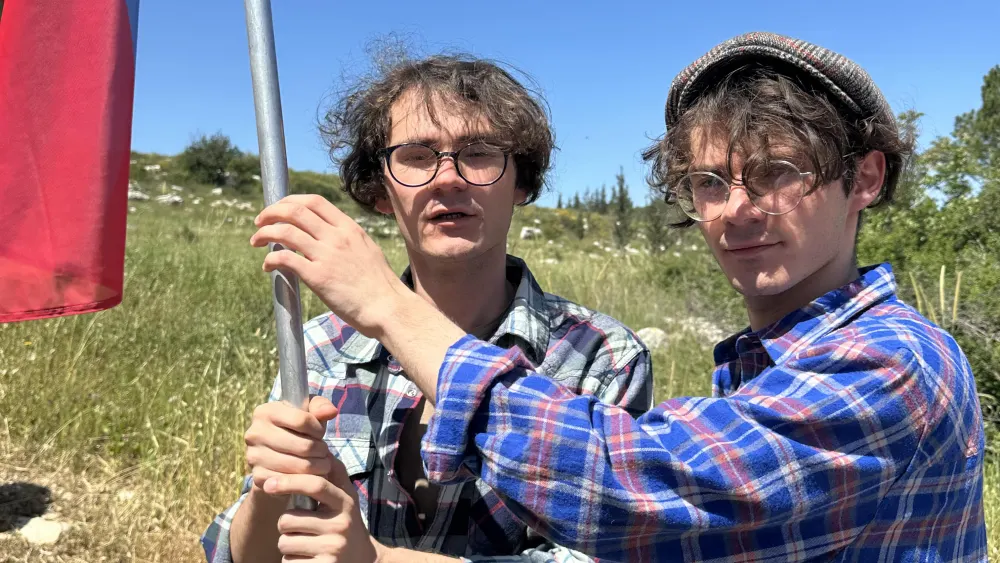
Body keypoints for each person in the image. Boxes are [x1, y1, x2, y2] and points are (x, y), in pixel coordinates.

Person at [247, 32, 988, 561]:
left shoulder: (892, 361)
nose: (737, 209)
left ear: (864, 178)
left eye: (777, 172)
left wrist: (385, 303)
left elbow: (630, 488)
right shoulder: (763, 372)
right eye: (709, 182)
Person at [200, 54, 654, 563]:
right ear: (381, 190)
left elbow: (610, 552)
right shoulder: (321, 350)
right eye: (416, 155)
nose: (448, 178)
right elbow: (242, 555)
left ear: (521, 182)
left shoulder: (599, 358)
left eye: (479, 152)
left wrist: (378, 560)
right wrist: (273, 489)